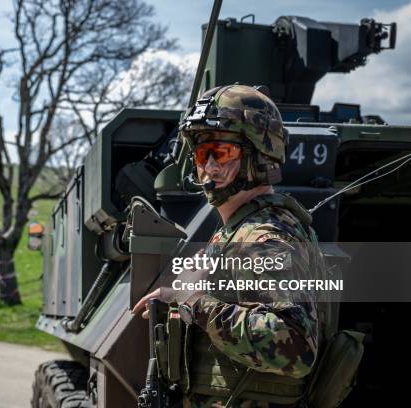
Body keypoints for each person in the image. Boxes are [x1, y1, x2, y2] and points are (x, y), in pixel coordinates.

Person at [132, 85, 329, 407]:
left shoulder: (263, 238)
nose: (209, 168)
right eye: (201, 154)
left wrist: (194, 302)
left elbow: (295, 349)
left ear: (259, 156)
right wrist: (175, 298)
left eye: (222, 153)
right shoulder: (239, 230)